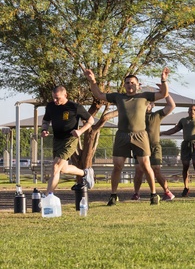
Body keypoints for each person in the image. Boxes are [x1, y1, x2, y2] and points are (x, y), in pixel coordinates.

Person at [83, 66, 168, 205]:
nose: (130, 85)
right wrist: (92, 81)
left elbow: (163, 94)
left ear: (137, 85)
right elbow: (99, 95)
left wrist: (164, 80)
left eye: (132, 82)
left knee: (146, 165)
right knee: (117, 166)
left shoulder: (144, 96)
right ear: (124, 85)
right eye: (127, 83)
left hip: (140, 135)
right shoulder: (118, 97)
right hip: (122, 135)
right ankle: (113, 195)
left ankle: (153, 194)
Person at [40, 86, 96, 195]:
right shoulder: (51, 106)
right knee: (63, 169)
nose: (55, 101)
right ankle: (85, 173)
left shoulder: (75, 107)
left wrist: (80, 131)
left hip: (70, 140)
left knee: (56, 166)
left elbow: (91, 120)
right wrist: (44, 129)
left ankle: (48, 196)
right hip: (57, 140)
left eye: (57, 98)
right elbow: (46, 120)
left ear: (65, 95)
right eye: (53, 98)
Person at [133, 94, 177, 200]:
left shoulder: (157, 115)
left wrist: (165, 93)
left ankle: (167, 192)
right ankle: (136, 193)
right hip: (140, 146)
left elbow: (171, 105)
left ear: (153, 105)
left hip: (154, 146)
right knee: (139, 170)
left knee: (156, 169)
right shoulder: (137, 116)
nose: (147, 104)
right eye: (145, 103)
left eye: (149, 103)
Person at [161, 104, 195, 197]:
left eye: (194, 110)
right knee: (185, 165)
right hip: (185, 144)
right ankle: (186, 187)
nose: (192, 111)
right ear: (188, 111)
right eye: (190, 109)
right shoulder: (183, 120)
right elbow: (175, 129)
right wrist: (163, 132)